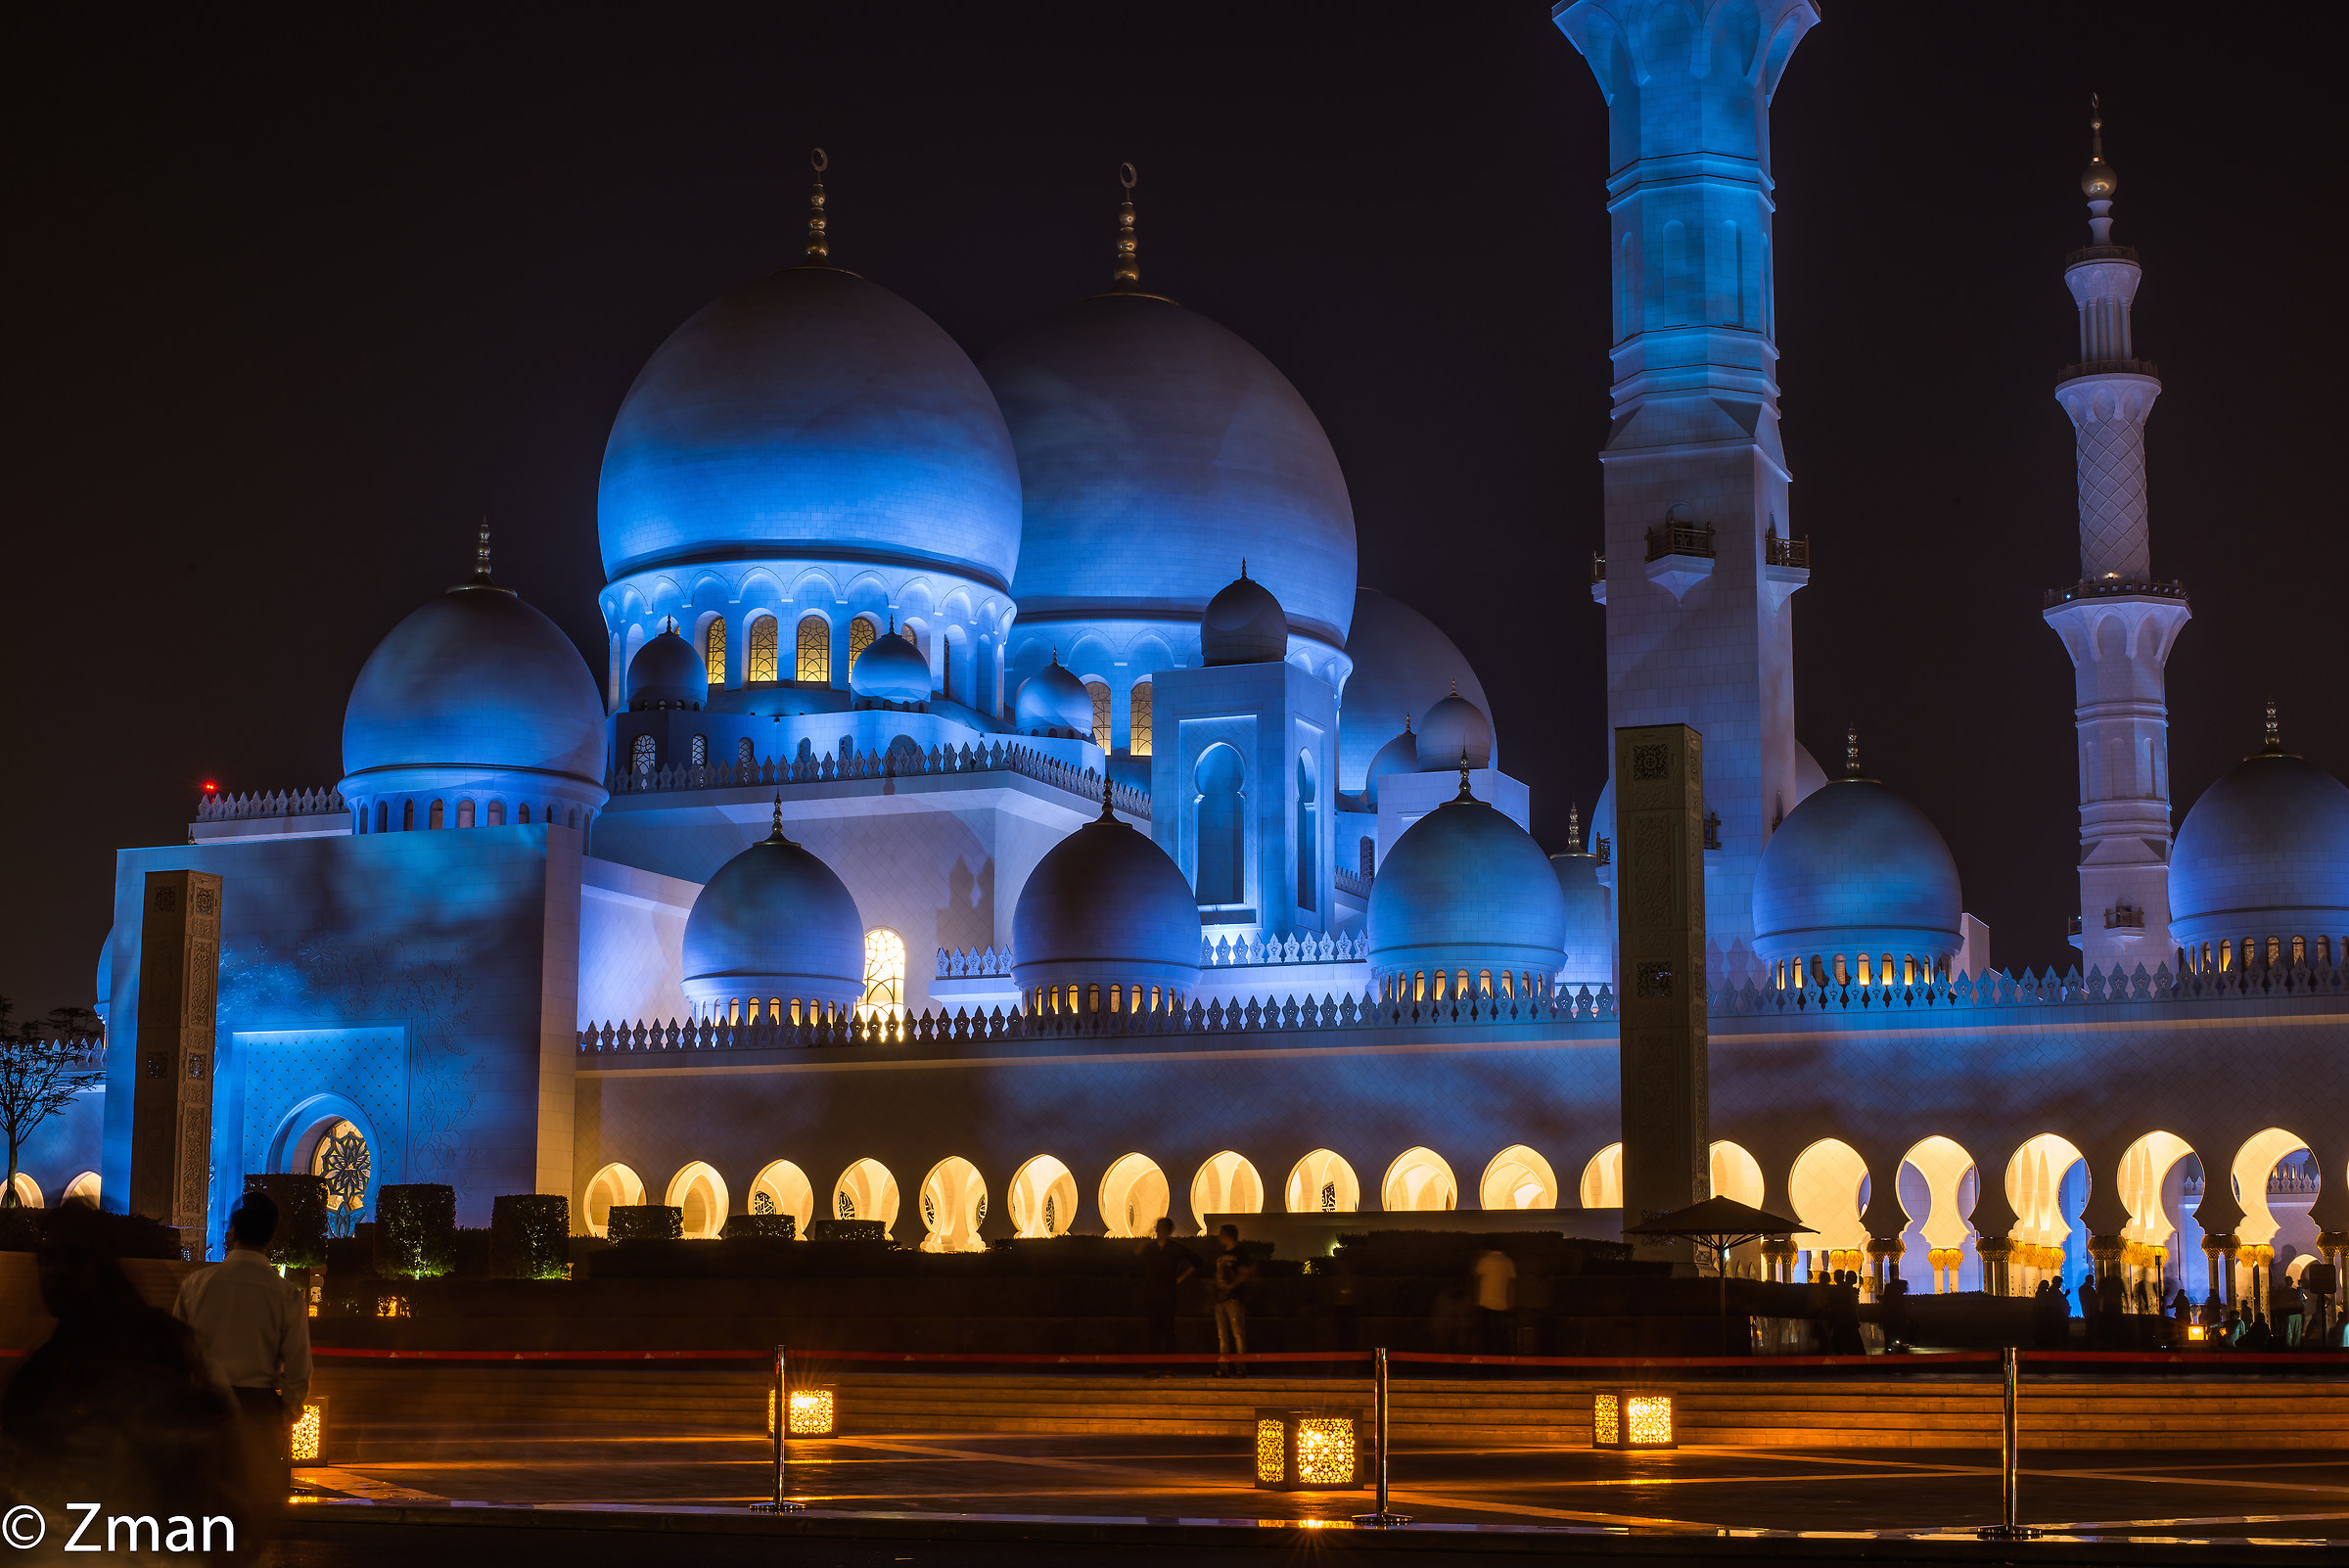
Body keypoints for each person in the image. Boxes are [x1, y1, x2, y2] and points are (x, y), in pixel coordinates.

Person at [2, 1202, 248, 1529]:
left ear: (102, 1265)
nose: (56, 1271)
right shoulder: (45, 1367)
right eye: (48, 1258)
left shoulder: (156, 1346)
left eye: (74, 1257)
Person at [173, 1191, 312, 1514]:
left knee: (199, 1507)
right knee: (252, 1509)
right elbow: (298, 1365)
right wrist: (287, 1411)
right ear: (270, 1237)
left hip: (203, 1407)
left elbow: (178, 1351)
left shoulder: (197, 1284)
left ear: (232, 1233)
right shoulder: (285, 1294)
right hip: (258, 1410)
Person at [1135, 1216, 1199, 1362]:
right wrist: (1144, 1242)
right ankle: (1155, 1366)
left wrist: (1181, 1278)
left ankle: (1170, 1365)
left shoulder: (1175, 1248)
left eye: (1163, 1228)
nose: (1160, 1231)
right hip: (1152, 1295)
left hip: (1167, 1295)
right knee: (1154, 1330)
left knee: (1168, 1329)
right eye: (1159, 1228)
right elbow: (1136, 1256)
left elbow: (1197, 1261)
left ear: (1168, 1231)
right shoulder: (1151, 1247)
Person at [1210, 1224, 1255, 1376]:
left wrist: (1230, 1286)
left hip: (1234, 1298)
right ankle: (1224, 1368)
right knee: (1223, 1335)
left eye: (1221, 1234)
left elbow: (1244, 1273)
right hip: (1220, 1299)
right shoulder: (1221, 1254)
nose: (1219, 1237)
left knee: (1238, 1334)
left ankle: (1240, 1368)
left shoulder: (1240, 1253)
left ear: (1228, 1235)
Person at [1472, 1246, 1516, 1360]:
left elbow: (1476, 1281)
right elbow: (1512, 1286)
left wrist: (1476, 1300)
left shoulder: (1485, 1261)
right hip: (1502, 1305)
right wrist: (1510, 1304)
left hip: (1485, 1304)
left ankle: (1486, 1365)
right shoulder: (1508, 1262)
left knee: (1486, 1337)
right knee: (1501, 1336)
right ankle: (1502, 1365)